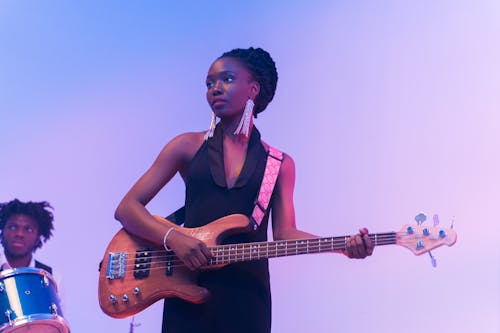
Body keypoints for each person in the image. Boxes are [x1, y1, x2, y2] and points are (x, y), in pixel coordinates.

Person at [115, 47, 374, 333]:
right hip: (187, 287)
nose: (215, 89)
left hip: (248, 297)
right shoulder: (186, 146)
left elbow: (286, 233)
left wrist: (343, 246)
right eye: (209, 83)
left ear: (253, 89)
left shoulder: (279, 164)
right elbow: (127, 208)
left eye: (226, 79)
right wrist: (174, 238)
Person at [0, 198, 54, 273]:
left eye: (29, 229)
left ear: (38, 237)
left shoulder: (51, 277)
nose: (19, 234)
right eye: (12, 227)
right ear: (2, 231)